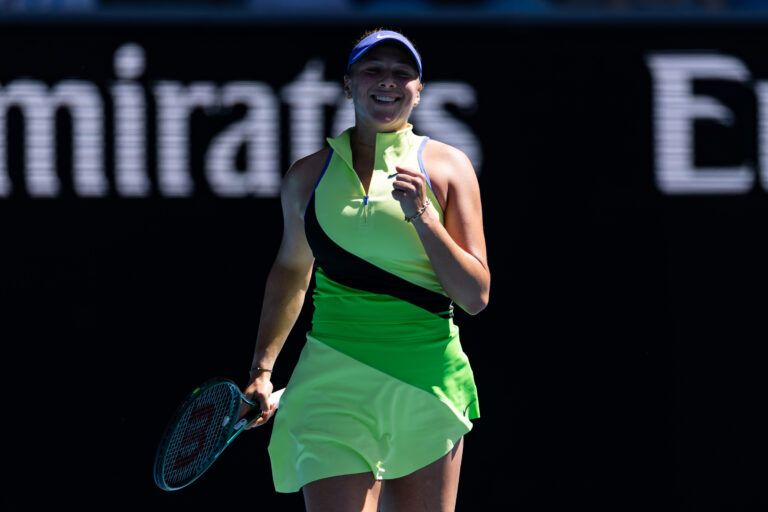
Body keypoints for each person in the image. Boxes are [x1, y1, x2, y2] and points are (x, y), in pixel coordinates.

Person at [241, 28, 490, 512]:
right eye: (373, 70)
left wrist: (423, 216)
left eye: (402, 73)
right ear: (348, 84)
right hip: (330, 384)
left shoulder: (449, 168)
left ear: (419, 91)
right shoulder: (307, 176)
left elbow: (475, 295)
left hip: (428, 381)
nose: (388, 82)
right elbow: (293, 270)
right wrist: (262, 369)